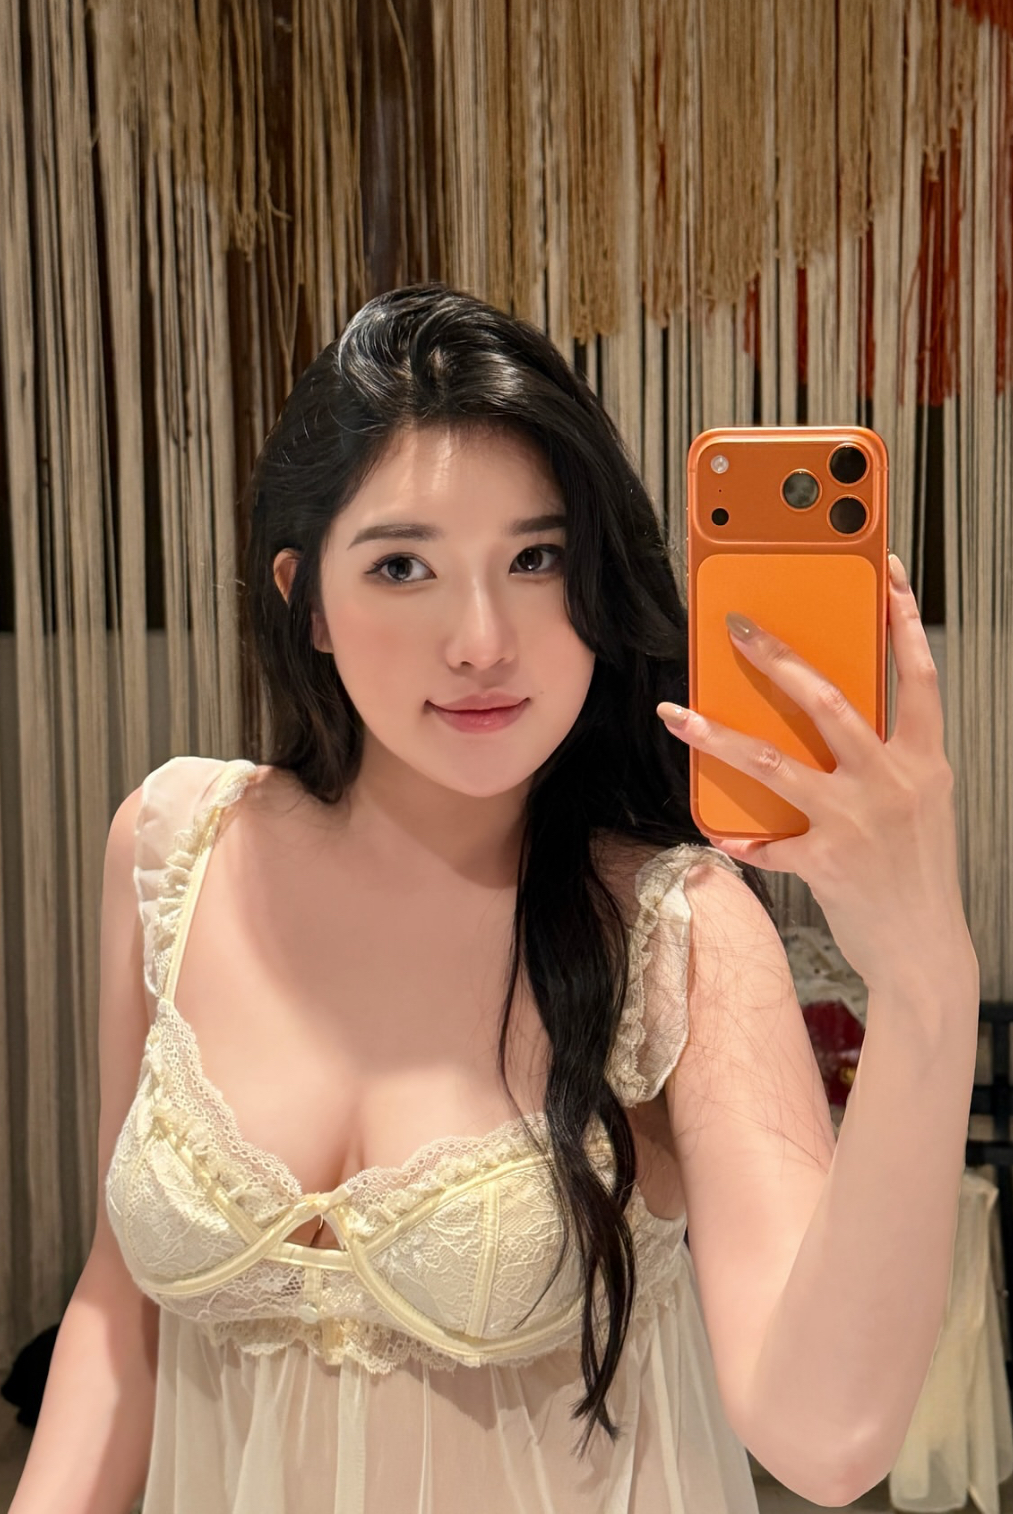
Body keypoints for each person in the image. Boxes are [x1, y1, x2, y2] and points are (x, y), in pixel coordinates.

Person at [11, 284, 979, 1514]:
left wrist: (924, 976)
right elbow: (120, 1307)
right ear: (308, 601)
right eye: (402, 565)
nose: (480, 639)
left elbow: (825, 1437)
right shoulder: (171, 845)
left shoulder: (677, 930)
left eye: (534, 558)